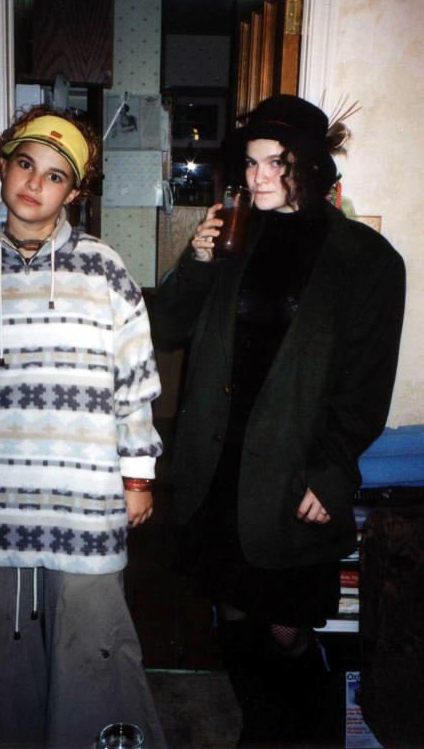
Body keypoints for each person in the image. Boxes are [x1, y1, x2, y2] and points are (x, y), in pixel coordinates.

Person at [0, 104, 167, 749]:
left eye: (55, 175)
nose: (34, 183)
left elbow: (135, 382)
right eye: (25, 163)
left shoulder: (105, 271)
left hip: (84, 507)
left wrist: (138, 477)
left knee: (94, 661)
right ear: (3, 164)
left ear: (72, 193)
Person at [153, 94, 405, 748]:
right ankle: (258, 730)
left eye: (276, 163)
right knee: (233, 611)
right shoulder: (233, 234)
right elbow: (166, 326)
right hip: (218, 467)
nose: (257, 176)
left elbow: (366, 382)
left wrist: (332, 467)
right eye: (250, 162)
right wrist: (195, 263)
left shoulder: (367, 259)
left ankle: (301, 733)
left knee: (286, 627)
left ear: (312, 168)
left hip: (292, 471)